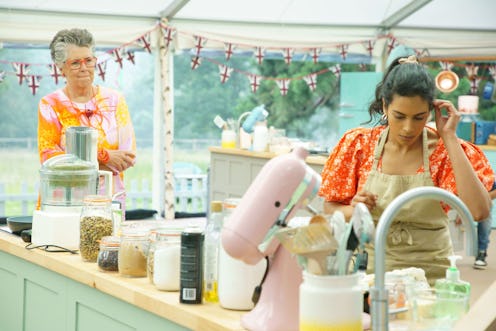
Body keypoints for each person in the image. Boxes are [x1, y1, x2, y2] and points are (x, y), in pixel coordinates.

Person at [318, 54, 494, 284]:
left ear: (432, 112)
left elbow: (479, 211)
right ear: (384, 106)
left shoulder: (444, 152)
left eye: (419, 117)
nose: (408, 128)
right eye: (399, 116)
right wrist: (357, 210)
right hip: (370, 273)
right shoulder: (358, 145)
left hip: (430, 278)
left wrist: (449, 137)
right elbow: (330, 208)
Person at [38, 28, 136, 207]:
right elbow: (50, 158)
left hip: (109, 202)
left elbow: (128, 158)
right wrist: (104, 156)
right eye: (75, 62)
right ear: (61, 68)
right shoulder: (50, 104)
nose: (84, 68)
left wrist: (74, 161)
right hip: (63, 201)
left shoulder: (115, 100)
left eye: (89, 60)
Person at [474, 182, 496, 269]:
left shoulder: (485, 172)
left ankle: (481, 252)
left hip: (482, 198)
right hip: (459, 195)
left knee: (486, 212)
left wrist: (481, 201)